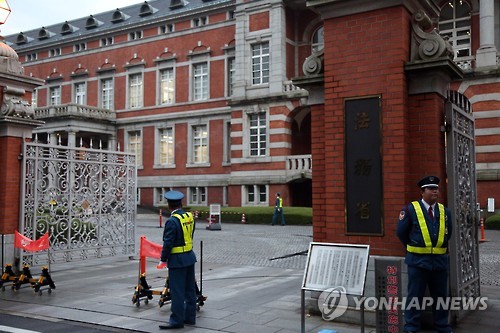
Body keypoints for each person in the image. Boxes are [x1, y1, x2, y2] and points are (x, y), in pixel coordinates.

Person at [396, 176, 453, 333]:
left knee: (441, 297)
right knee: (415, 296)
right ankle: (412, 327)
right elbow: (401, 233)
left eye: (436, 188)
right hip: (418, 262)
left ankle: (442, 326)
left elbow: (448, 235)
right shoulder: (410, 209)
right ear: (422, 192)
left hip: (439, 262)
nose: (435, 191)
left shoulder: (445, 211)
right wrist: (414, 247)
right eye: (431, 188)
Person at [157, 190, 197, 329]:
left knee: (177, 292)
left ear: (169, 205)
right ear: (181, 204)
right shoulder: (189, 217)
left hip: (177, 261)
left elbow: (168, 242)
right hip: (189, 257)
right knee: (189, 290)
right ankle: (190, 318)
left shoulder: (172, 221)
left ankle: (176, 321)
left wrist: (163, 259)